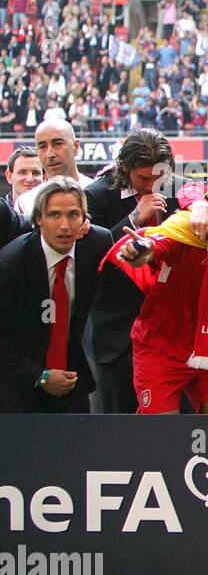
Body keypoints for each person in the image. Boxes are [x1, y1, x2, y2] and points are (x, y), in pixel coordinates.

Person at [104, 151, 208, 414]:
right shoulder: (191, 224)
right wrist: (141, 252)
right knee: (163, 441)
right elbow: (157, 244)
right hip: (163, 349)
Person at [84, 128, 187, 414]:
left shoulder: (183, 191)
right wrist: (132, 219)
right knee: (120, 430)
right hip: (119, 339)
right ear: (125, 168)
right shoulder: (96, 196)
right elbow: (89, 260)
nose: (153, 186)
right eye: (143, 179)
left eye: (160, 179)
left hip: (172, 332)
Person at [0, 177, 112, 413]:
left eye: (73, 215)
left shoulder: (98, 244)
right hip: (18, 381)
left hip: (72, 378)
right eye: (54, 215)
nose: (64, 225)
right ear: (39, 218)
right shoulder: (11, 263)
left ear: (84, 219)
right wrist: (39, 376)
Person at [19, 118, 95, 215]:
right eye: (42, 146)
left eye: (58, 144)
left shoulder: (97, 193)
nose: (50, 154)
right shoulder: (26, 202)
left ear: (76, 146)